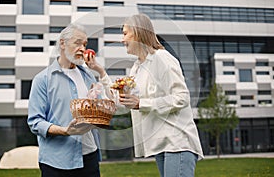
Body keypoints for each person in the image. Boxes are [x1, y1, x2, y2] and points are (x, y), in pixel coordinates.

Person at [87, 14, 204, 177]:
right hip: (162, 144)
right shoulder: (138, 68)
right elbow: (123, 101)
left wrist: (141, 103)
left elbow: (181, 97)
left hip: (177, 142)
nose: (122, 40)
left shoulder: (162, 59)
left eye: (125, 33)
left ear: (138, 33)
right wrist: (100, 72)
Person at [27, 23, 101, 177]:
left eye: (85, 44)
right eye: (77, 43)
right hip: (56, 162)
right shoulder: (43, 79)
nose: (82, 48)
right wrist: (65, 131)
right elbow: (35, 122)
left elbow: (98, 110)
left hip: (89, 157)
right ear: (62, 43)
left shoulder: (88, 76)